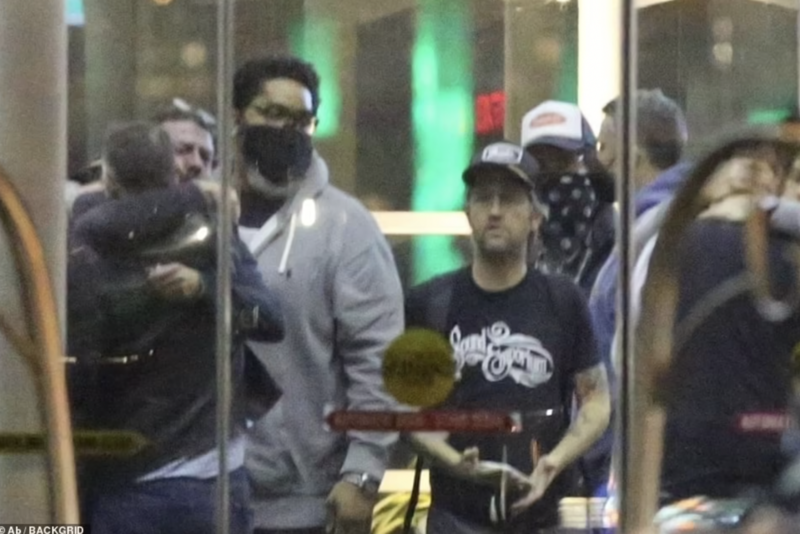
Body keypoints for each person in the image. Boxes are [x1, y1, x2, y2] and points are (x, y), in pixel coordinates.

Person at [67, 121, 284, 534]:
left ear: (108, 178)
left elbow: (81, 368)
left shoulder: (85, 241)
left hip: (128, 476)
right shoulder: (210, 232)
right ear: (172, 172)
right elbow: (270, 320)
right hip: (205, 478)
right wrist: (205, 287)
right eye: (185, 153)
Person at [233, 55, 405, 534]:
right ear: (237, 117)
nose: (285, 130)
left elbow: (379, 357)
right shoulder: (201, 217)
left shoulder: (345, 227)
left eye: (301, 120)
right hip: (198, 491)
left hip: (303, 500)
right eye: (271, 113)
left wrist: (363, 472)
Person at [405, 141, 611, 534]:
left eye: (510, 199)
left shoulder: (562, 301)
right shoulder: (430, 304)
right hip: (455, 517)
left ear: (535, 216)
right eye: (484, 198)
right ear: (468, 212)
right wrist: (452, 461)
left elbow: (597, 400)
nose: (495, 211)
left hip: (544, 518)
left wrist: (556, 460)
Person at [624, 138, 800, 503]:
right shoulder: (785, 252)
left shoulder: (664, 244)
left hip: (684, 466)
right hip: (754, 465)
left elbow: (631, 358)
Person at [586, 89, 691, 496]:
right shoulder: (643, 231)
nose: (597, 162)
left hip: (641, 467)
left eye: (604, 148)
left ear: (632, 156)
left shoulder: (659, 235)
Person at [520, 100, 615, 294]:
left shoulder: (621, 246)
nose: (553, 173)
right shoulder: (516, 248)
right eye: (541, 165)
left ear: (590, 163)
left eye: (562, 161)